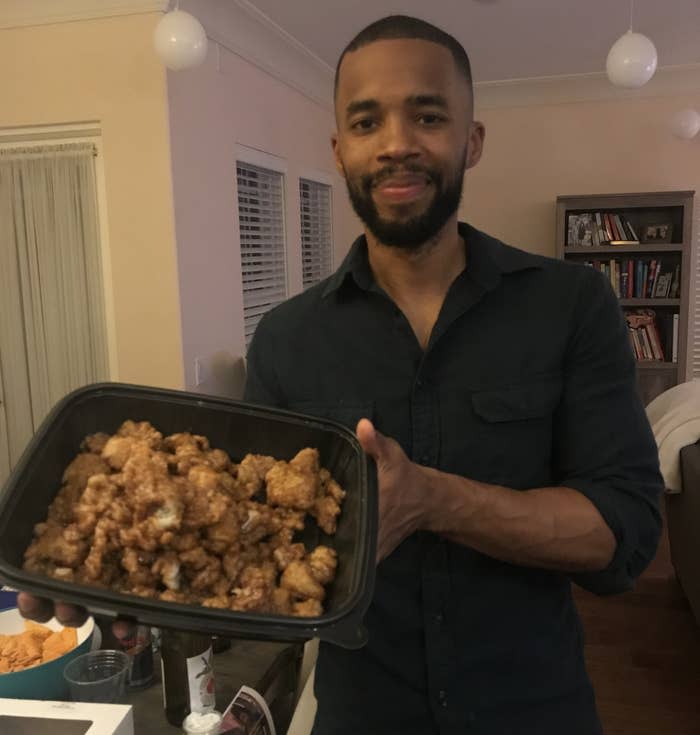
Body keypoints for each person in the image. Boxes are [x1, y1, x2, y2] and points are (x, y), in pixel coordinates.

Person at [19, 15, 663, 735]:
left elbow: (625, 534)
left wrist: (434, 500)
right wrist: (145, 579)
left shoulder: (570, 305)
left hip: (535, 711)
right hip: (363, 716)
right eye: (366, 121)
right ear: (339, 148)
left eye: (428, 114)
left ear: (471, 141)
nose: (396, 143)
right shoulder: (288, 338)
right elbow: (258, 551)